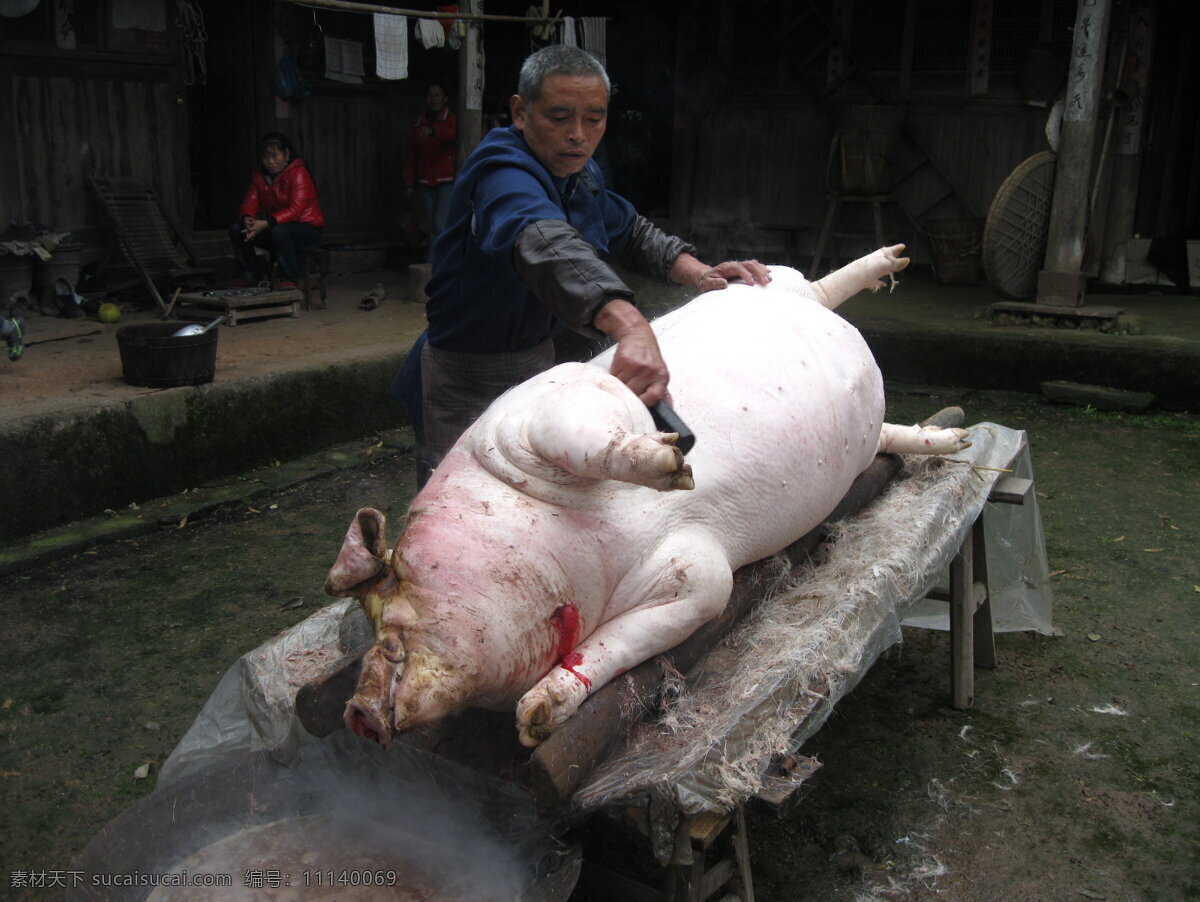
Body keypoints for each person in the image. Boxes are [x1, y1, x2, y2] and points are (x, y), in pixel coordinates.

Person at [393, 45, 770, 485]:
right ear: (520, 111)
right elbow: (545, 243)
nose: (578, 134)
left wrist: (700, 273)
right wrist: (630, 325)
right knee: (457, 502)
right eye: (559, 117)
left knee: (536, 491)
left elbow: (628, 229)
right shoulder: (501, 172)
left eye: (594, 118)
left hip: (536, 361)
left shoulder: (580, 175)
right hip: (463, 373)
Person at [229, 132, 324, 289]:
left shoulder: (298, 173)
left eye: (275, 156)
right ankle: (252, 275)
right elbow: (251, 201)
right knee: (237, 229)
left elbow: (296, 209)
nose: (270, 162)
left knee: (280, 231)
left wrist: (267, 222)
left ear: (286, 154)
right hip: (276, 227)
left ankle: (289, 279)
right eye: (266, 157)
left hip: (307, 230)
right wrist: (248, 218)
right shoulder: (260, 176)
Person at [405, 82, 457, 257]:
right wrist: (409, 183)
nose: (433, 99)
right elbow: (413, 154)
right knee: (430, 224)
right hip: (426, 180)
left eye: (437, 95)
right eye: (430, 95)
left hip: (446, 180)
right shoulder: (420, 123)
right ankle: (436, 262)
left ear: (445, 99)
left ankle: (435, 262)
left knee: (439, 223)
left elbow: (453, 134)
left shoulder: (452, 119)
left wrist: (434, 131)